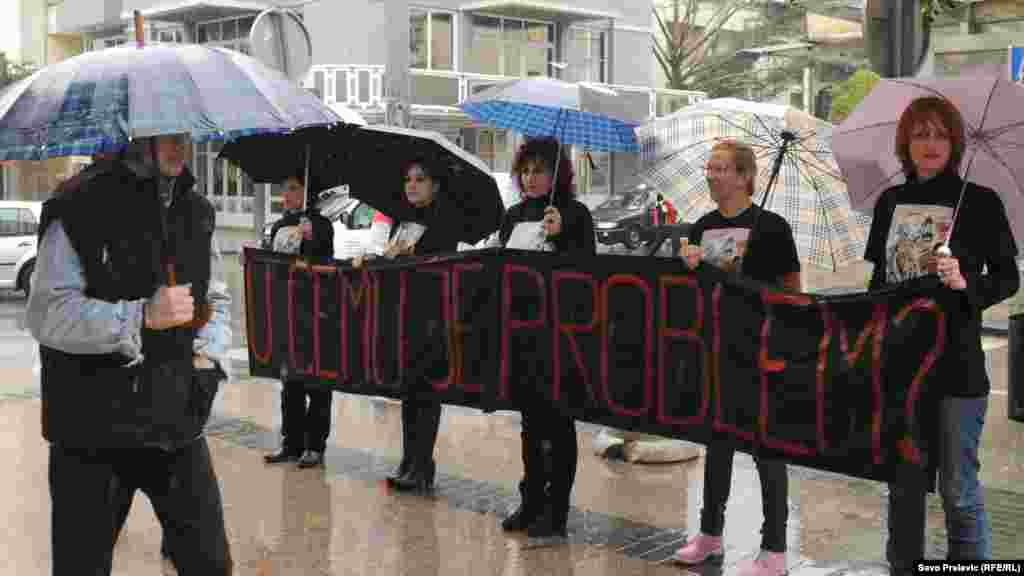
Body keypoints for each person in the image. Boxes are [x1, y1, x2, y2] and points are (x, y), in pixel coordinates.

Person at [26, 133, 233, 575]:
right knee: (82, 566)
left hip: (175, 419)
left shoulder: (196, 212)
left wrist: (210, 361)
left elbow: (216, 296)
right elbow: (48, 313)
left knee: (210, 564)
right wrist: (140, 316)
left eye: (185, 132)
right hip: (90, 432)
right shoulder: (77, 207)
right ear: (136, 134)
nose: (180, 144)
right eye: (165, 132)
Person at [864, 97, 1018, 572]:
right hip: (900, 366)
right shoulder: (890, 201)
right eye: (919, 134)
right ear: (904, 144)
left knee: (958, 492)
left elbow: (1008, 278)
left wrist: (964, 282)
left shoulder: (982, 200)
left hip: (957, 367)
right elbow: (876, 286)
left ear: (954, 143)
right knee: (904, 490)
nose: (929, 145)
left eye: (939, 135)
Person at [672, 140, 801, 576]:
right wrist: (688, 266)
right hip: (715, 350)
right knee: (718, 444)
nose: (711, 174)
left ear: (745, 177)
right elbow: (689, 295)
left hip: (763, 351)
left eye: (722, 168)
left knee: (769, 450)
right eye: (709, 167)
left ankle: (775, 549)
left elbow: (793, 290)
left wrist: (755, 291)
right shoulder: (701, 228)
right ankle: (709, 535)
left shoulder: (773, 227)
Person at [498, 137, 595, 541]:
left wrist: (561, 236)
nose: (531, 177)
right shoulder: (515, 214)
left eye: (540, 170)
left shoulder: (575, 213)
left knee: (559, 422)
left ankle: (557, 509)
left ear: (558, 174)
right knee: (529, 422)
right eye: (526, 169)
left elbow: (588, 271)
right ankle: (531, 498)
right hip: (521, 329)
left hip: (560, 333)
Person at [370, 155, 461, 493]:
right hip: (403, 315)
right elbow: (394, 260)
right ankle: (409, 461)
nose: (412, 185)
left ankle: (423, 464)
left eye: (420, 179)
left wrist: (411, 258)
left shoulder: (445, 219)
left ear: (435, 185)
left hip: (432, 317)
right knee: (408, 392)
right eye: (408, 179)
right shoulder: (403, 220)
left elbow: (440, 262)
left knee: (426, 392)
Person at [263, 174, 335, 469]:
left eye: (294, 187)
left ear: (309, 192)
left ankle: (315, 445)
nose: (287, 193)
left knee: (317, 381)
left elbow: (324, 258)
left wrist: (310, 235)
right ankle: (291, 442)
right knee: (289, 381)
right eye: (285, 187)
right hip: (287, 309)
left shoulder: (322, 225)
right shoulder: (280, 224)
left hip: (316, 311)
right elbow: (271, 259)